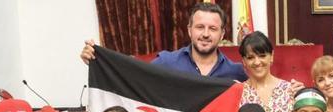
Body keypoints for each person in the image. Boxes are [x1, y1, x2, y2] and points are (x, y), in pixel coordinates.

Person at [80, 3, 246, 81]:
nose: (205, 34)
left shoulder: (236, 72)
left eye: (213, 29)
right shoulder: (167, 62)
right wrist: (97, 60)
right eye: (200, 27)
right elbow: (132, 72)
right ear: (189, 30)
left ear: (222, 34)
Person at [239, 31, 301, 112]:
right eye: (250, 57)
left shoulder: (290, 90)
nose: (257, 62)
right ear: (244, 61)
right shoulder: (238, 93)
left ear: (271, 56)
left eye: (262, 56)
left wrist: (304, 96)